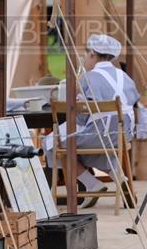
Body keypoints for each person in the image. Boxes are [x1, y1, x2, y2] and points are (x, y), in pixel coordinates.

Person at [44, 34, 140, 208]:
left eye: (85, 54)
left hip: (99, 134)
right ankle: (119, 177)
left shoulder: (87, 78)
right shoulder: (124, 76)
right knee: (94, 147)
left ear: (92, 55)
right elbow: (134, 103)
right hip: (123, 133)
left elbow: (80, 117)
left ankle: (91, 183)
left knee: (54, 143)